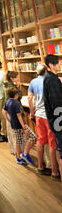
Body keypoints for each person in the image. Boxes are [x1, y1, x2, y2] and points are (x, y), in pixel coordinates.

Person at [28, 63, 59, 178]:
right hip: (50, 116)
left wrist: (32, 112)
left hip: (39, 115)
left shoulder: (33, 82)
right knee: (52, 144)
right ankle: (54, 171)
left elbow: (30, 98)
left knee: (40, 141)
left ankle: (41, 166)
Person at [2, 87, 37, 165]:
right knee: (33, 137)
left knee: (18, 141)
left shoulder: (7, 101)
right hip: (20, 125)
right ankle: (25, 153)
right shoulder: (16, 103)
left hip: (13, 124)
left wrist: (8, 119)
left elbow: (3, 111)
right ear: (16, 95)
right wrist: (24, 128)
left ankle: (18, 157)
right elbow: (19, 116)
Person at [43, 54, 62, 188]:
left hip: (55, 120)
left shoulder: (48, 78)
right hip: (58, 120)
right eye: (58, 63)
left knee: (58, 148)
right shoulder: (53, 81)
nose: (60, 65)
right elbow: (57, 104)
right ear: (51, 65)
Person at [3, 71, 23, 155]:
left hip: (7, 110)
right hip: (14, 111)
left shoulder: (6, 85)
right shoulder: (12, 87)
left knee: (10, 132)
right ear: (12, 78)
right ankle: (18, 151)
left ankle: (13, 150)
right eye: (16, 77)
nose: (18, 78)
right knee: (16, 133)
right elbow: (19, 96)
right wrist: (18, 86)